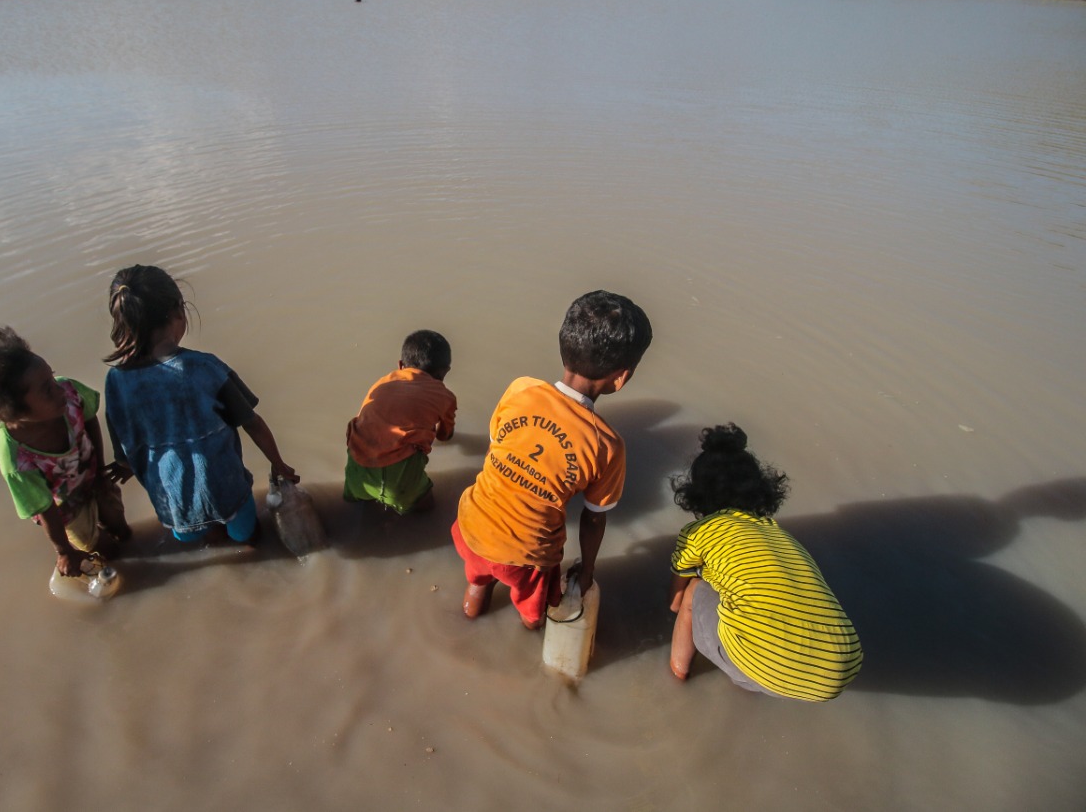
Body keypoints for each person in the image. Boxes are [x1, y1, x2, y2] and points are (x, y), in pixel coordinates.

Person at [452, 291, 652, 630]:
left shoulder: (520, 390)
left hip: (469, 525)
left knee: (478, 579)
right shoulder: (607, 445)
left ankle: (468, 618)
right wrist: (586, 571)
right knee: (534, 612)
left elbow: (497, 449)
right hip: (525, 558)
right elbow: (592, 519)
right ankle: (530, 636)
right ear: (622, 377)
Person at [102, 265, 298, 546]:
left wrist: (125, 466)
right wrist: (278, 463)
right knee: (247, 534)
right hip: (225, 488)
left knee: (198, 536)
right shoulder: (205, 369)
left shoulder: (116, 381)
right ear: (178, 311)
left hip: (172, 499)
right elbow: (252, 423)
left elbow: (124, 444)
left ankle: (215, 541)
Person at [667, 423, 862, 702]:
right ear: (759, 487)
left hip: (768, 666)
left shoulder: (699, 532)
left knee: (694, 591)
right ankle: (748, 676)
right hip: (843, 667)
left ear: (696, 492)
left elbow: (674, 603)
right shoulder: (781, 536)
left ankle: (677, 679)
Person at [0, 326, 131, 578]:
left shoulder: (68, 392)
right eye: (46, 389)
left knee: (121, 526)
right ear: (14, 412)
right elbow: (44, 508)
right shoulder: (15, 458)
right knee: (106, 550)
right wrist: (64, 551)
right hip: (64, 510)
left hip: (93, 477)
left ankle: (124, 539)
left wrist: (100, 470)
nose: (59, 389)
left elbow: (89, 418)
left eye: (52, 378)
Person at [343, 330, 457, 515]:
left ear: (400, 365)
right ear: (445, 372)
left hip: (356, 469)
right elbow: (444, 436)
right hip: (398, 482)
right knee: (428, 509)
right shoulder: (446, 396)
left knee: (361, 512)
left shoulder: (382, 383)